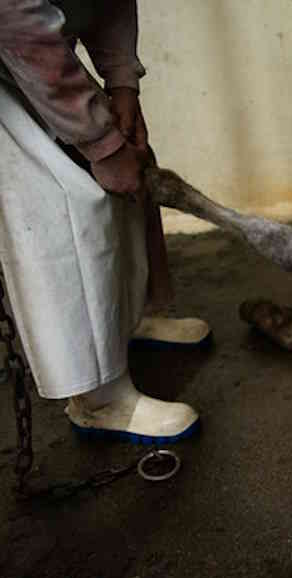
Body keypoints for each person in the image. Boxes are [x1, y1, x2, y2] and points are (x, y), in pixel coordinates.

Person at [0, 0, 207, 443]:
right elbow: (17, 22)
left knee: (131, 170)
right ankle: (98, 399)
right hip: (12, 54)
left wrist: (122, 86)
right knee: (62, 205)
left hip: (39, 55)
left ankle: (130, 320)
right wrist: (101, 144)